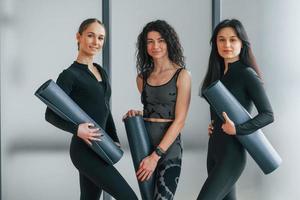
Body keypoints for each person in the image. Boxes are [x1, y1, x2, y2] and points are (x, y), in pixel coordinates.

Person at [45, 18, 138, 200]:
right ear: (78, 37)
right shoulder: (69, 75)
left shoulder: (100, 71)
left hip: (101, 147)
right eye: (91, 35)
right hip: (84, 150)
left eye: (101, 38)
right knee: (129, 197)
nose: (96, 42)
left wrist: (114, 138)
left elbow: (105, 108)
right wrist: (77, 129)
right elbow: (50, 114)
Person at [197, 19, 274, 200]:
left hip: (231, 156)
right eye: (221, 40)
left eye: (233, 39)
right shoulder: (217, 74)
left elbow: (268, 115)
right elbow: (223, 112)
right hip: (214, 152)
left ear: (242, 43)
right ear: (215, 43)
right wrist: (214, 125)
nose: (227, 45)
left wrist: (237, 129)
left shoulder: (246, 74)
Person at [124, 20, 191, 200]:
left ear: (169, 42)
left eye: (160, 40)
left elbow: (180, 121)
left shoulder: (182, 75)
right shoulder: (142, 78)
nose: (155, 46)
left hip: (168, 149)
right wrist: (138, 115)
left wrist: (155, 156)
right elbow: (152, 109)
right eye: (150, 41)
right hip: (143, 145)